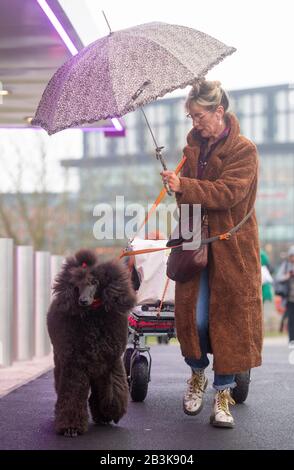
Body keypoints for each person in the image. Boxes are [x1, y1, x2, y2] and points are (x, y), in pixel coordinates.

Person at [161, 79, 263, 428]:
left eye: (199, 116)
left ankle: (223, 394)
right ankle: (197, 375)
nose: (195, 124)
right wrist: (176, 187)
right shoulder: (191, 150)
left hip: (232, 249)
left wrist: (185, 186)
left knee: (229, 323)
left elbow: (228, 193)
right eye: (191, 117)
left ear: (219, 111)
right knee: (195, 319)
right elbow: (188, 200)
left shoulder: (244, 150)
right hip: (195, 244)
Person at [274, 246, 294, 346]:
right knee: (291, 319)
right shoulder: (286, 265)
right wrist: (287, 276)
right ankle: (291, 340)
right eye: (292, 256)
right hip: (290, 298)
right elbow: (278, 278)